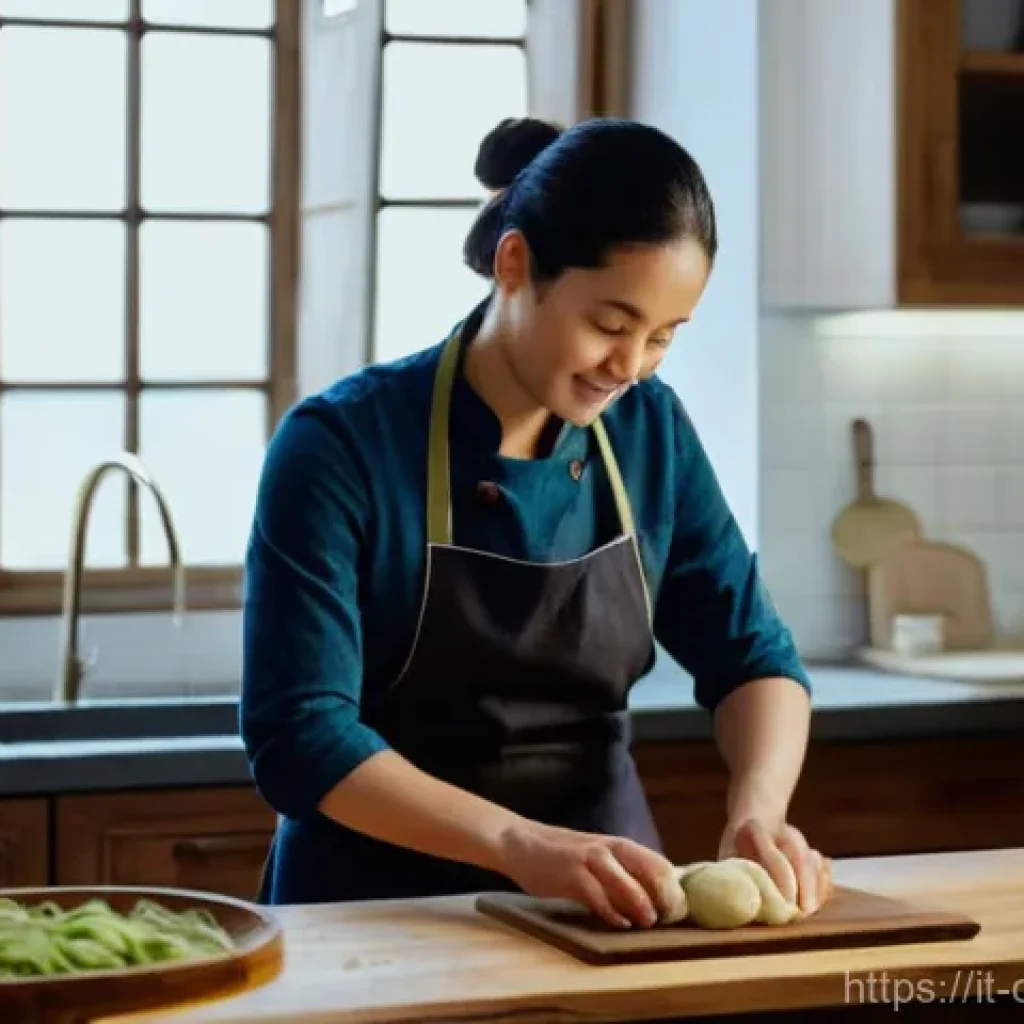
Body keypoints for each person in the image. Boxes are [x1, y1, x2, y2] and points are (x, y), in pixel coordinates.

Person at [240, 116, 828, 928]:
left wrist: (758, 809)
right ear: (515, 265)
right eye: (611, 326)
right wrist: (519, 845)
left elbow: (754, 657)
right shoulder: (340, 446)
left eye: (662, 337)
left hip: (607, 916)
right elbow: (301, 736)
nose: (630, 369)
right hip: (375, 918)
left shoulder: (650, 432)